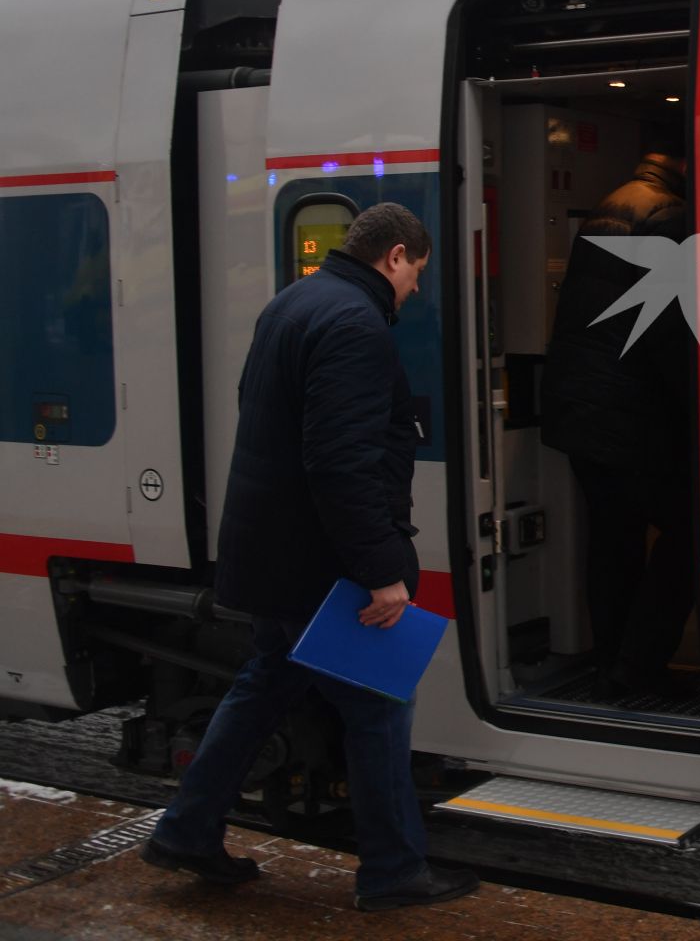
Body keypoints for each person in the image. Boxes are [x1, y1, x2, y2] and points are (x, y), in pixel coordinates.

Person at [143, 202, 479, 912]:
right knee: (382, 706)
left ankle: (187, 827)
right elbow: (340, 464)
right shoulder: (357, 326)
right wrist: (380, 571)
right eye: (415, 272)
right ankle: (393, 873)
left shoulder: (291, 304)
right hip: (325, 567)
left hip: (275, 559)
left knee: (265, 684)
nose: (414, 289)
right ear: (393, 257)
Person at [542, 146, 697, 695]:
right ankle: (638, 666)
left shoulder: (614, 204)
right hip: (626, 413)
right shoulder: (671, 217)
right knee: (693, 532)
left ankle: (613, 665)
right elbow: (669, 333)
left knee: (614, 540)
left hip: (580, 409)